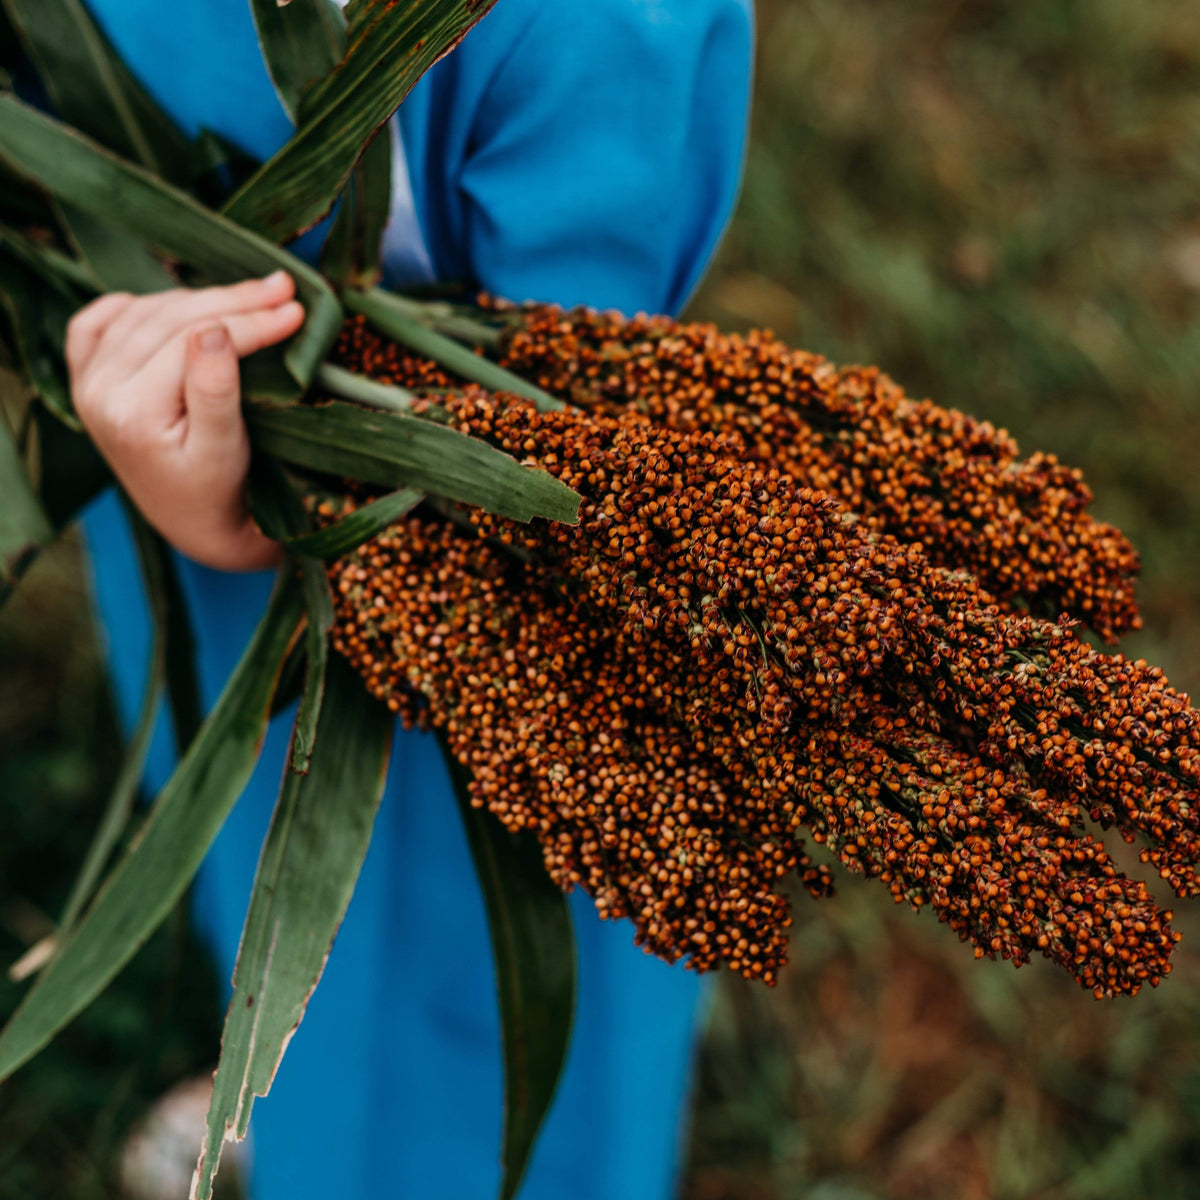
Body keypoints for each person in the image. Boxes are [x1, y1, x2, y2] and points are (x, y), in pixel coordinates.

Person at [74, 1, 754, 1197]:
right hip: (188, 471)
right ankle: (295, 1077)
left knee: (468, 978)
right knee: (265, 856)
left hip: (457, 606)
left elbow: (554, 452)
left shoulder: (585, 34)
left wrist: (260, 506)